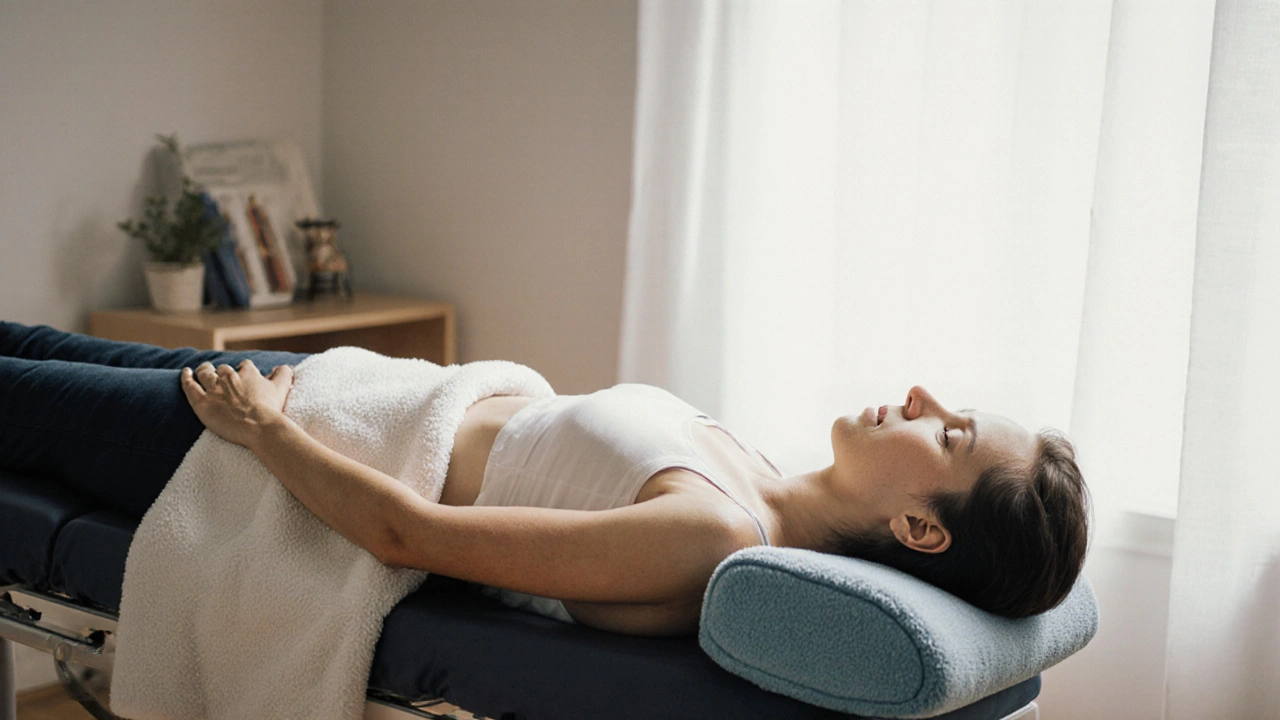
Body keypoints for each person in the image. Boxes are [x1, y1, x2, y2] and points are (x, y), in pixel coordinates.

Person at [0, 322, 1088, 637]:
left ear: (919, 530)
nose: (921, 396)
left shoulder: (709, 536)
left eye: (949, 438)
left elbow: (406, 535)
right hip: (322, 386)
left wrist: (260, 431)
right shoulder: (752, 469)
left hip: (253, 448)